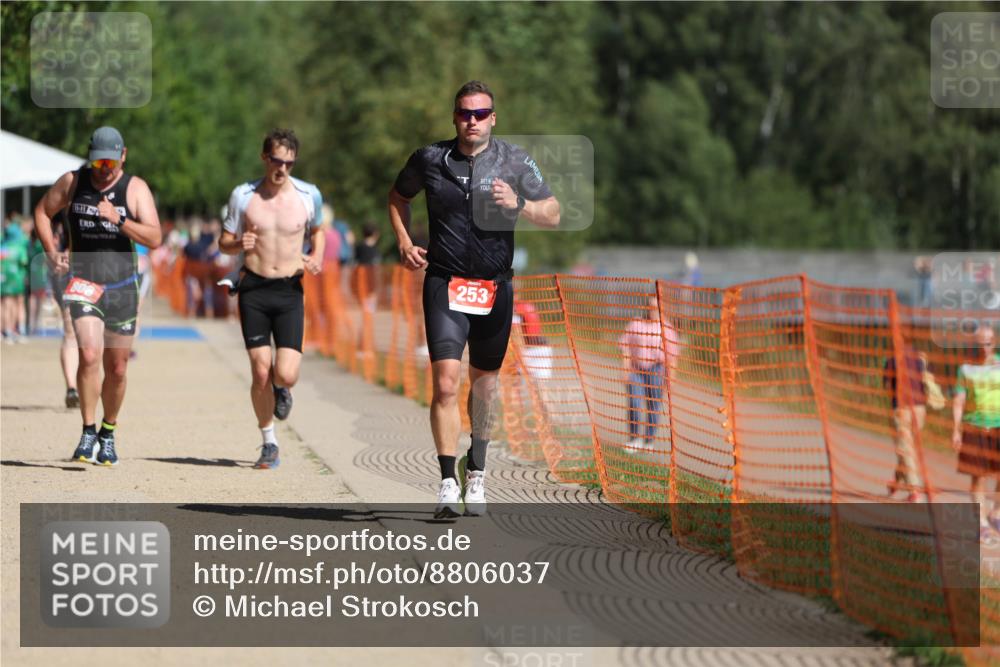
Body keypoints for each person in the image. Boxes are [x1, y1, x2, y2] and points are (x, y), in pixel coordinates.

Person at [388, 80, 560, 518]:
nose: (472, 121)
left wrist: (519, 203)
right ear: (454, 116)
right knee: (445, 383)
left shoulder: (515, 161)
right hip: (444, 283)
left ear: (493, 118)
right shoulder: (429, 159)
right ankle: (447, 481)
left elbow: (554, 214)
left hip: (494, 287)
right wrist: (405, 242)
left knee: (484, 388)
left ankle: (477, 471)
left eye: (480, 114)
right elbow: (398, 197)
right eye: (465, 113)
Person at [33, 126, 163, 466]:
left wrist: (118, 219)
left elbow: (155, 237)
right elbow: (42, 213)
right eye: (97, 162)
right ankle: (87, 429)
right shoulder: (73, 182)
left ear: (123, 155)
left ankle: (108, 431)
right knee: (89, 355)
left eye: (109, 162)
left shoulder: (134, 189)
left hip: (122, 286)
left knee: (117, 368)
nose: (103, 169)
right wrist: (52, 251)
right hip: (83, 282)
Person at [219, 128, 324, 470]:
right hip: (254, 289)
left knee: (286, 373)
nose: (282, 169)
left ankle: (283, 389)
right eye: (277, 161)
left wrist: (316, 255)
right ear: (265, 158)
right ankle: (269, 442)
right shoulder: (243, 196)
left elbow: (318, 231)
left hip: (290, 290)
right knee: (260, 371)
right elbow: (224, 241)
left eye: (289, 163)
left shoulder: (309, 196)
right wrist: (238, 245)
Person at [951, 326, 1000, 541]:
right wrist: (956, 430)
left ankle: (996, 513)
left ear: (994, 343)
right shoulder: (966, 369)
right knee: (978, 476)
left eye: (988, 343)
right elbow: (959, 400)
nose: (984, 347)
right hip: (974, 427)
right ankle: (981, 524)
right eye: (979, 343)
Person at [620, 296, 679, 450]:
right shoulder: (636, 323)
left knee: (653, 406)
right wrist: (625, 369)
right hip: (636, 369)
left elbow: (672, 358)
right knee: (634, 403)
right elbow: (625, 347)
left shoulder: (666, 329)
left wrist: (669, 380)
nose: (653, 311)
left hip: (656, 370)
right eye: (651, 307)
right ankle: (633, 440)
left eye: (656, 308)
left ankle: (648, 442)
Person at [882, 344, 934, 501]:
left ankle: (914, 490)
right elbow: (928, 383)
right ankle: (896, 481)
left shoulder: (891, 360)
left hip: (901, 409)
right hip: (920, 410)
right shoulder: (921, 359)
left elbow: (886, 386)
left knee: (905, 449)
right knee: (906, 448)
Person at [47, 208, 80, 407]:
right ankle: (72, 387)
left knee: (75, 334)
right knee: (72, 332)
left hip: (80, 272)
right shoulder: (59, 218)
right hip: (70, 274)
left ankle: (75, 386)